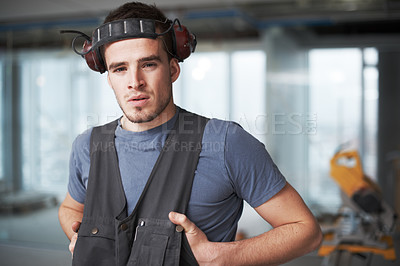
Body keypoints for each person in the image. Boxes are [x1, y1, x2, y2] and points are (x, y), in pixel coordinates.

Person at [58, 1, 322, 265]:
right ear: (109, 78)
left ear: (173, 69)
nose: (134, 81)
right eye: (120, 68)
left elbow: (306, 231)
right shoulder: (88, 145)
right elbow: (70, 207)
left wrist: (222, 257)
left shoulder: (226, 143)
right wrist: (77, 235)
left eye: (148, 64)